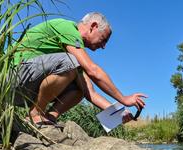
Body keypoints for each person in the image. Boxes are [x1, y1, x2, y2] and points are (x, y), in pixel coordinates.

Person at [11, 12, 146, 126]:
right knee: (70, 61)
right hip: (11, 78)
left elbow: (90, 93)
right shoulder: (67, 28)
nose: (104, 46)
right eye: (103, 39)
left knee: (80, 88)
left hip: (24, 89)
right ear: (93, 26)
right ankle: (36, 114)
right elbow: (93, 70)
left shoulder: (72, 55)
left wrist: (118, 115)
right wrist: (124, 99)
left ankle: (49, 118)